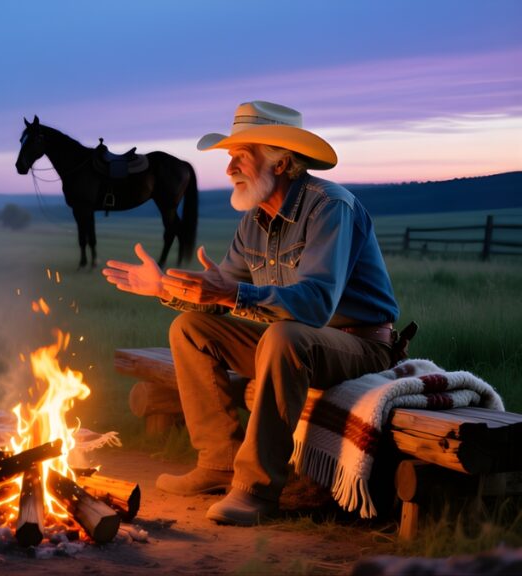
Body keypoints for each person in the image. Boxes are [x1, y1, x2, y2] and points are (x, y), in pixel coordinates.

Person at [103, 101, 401, 526]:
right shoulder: (255, 221)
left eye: (240, 156)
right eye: (229, 157)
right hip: (293, 345)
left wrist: (233, 294)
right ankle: (218, 462)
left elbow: (315, 305)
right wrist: (163, 288)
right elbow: (221, 289)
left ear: (279, 161)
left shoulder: (331, 207)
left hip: (358, 346)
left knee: (284, 338)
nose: (229, 169)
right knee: (189, 327)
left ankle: (256, 489)